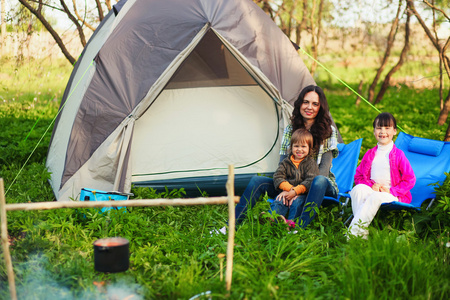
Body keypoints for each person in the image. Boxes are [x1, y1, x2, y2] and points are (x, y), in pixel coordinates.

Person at [211, 85, 339, 235]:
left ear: (320, 107)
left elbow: (323, 171)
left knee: (319, 180)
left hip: (318, 186)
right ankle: (230, 227)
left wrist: (296, 191)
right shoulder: (291, 129)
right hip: (291, 182)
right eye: (306, 102)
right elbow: (283, 165)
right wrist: (290, 189)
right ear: (300, 104)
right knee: (256, 181)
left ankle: (299, 229)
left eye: (315, 104)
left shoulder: (328, 131)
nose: (309, 107)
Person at [348, 112, 415, 238]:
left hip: (391, 195)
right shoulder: (370, 153)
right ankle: (362, 234)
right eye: (379, 128)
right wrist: (371, 185)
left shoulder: (398, 155)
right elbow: (358, 176)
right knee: (357, 190)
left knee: (375, 198)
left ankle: (352, 235)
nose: (382, 131)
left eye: (387, 128)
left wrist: (391, 190)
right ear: (374, 131)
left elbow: (410, 179)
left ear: (395, 131)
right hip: (373, 190)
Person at [269, 128, 319, 223]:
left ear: (309, 148)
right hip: (288, 192)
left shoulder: (310, 163)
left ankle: (291, 223)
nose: (299, 149)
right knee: (280, 199)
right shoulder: (285, 162)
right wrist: (290, 191)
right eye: (296, 146)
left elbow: (310, 180)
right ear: (291, 147)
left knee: (297, 203)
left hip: (303, 194)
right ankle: (272, 219)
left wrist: (295, 192)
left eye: (303, 146)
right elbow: (278, 177)